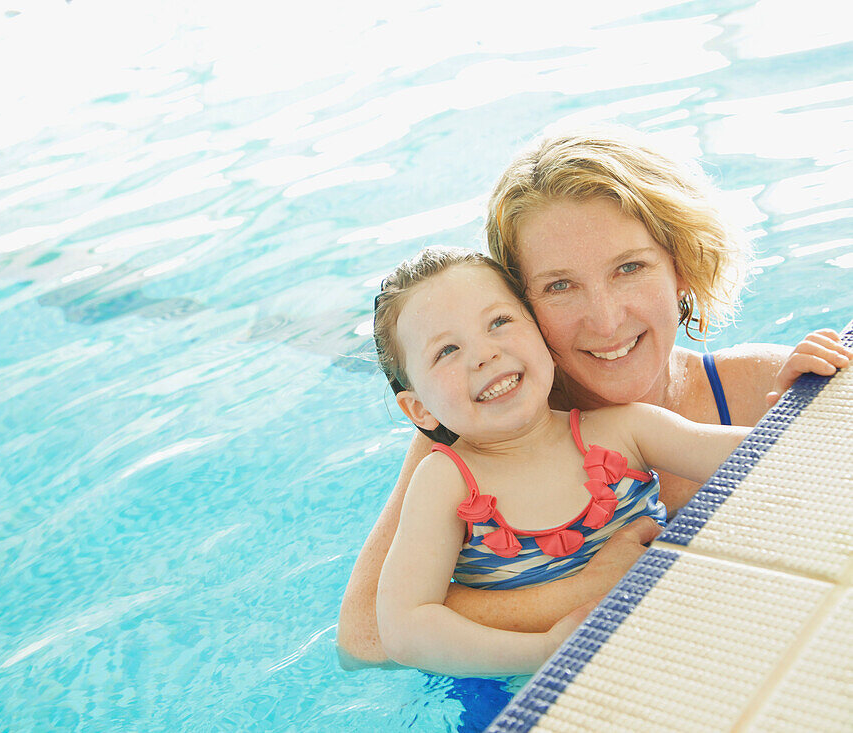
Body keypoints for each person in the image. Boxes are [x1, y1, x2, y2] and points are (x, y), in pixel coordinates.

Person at [338, 126, 853, 666]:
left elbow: (811, 465)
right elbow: (369, 636)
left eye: (629, 268)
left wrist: (803, 416)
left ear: (682, 264)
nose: (606, 321)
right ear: (526, 305)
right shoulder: (476, 435)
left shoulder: (760, 387)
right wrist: (581, 597)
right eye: (559, 286)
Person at [370, 246, 760, 675]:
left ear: (543, 336)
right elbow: (404, 627)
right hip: (535, 688)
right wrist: (543, 651)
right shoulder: (447, 483)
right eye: (446, 350)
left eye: (499, 322)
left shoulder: (625, 431)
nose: (484, 354)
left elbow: (766, 453)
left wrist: (799, 392)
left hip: (683, 651)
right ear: (419, 410)